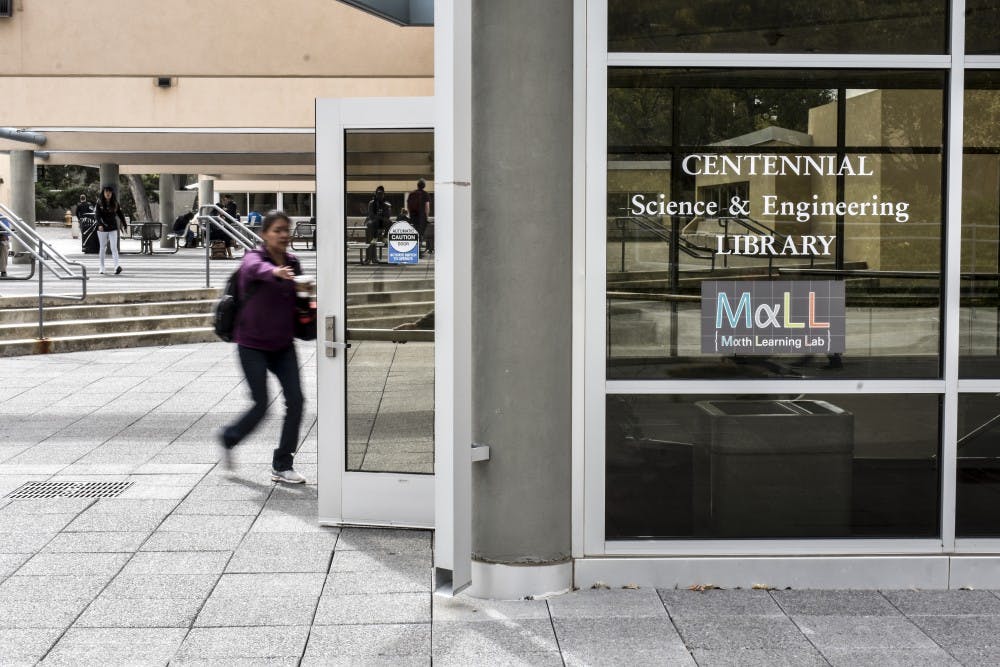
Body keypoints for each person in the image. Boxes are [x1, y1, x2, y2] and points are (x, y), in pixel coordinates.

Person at [219, 210, 307, 484]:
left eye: (286, 230)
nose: (284, 235)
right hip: (252, 344)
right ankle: (229, 437)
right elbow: (256, 270)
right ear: (264, 234)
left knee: (297, 401)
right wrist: (276, 272)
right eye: (278, 230)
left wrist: (308, 300)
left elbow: (299, 301)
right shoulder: (253, 259)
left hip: (282, 345)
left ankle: (282, 464)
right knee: (260, 405)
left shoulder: (293, 262)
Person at [94, 185, 127, 275]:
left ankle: (116, 267)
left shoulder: (115, 203)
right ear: (103, 193)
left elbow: (120, 214)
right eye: (106, 192)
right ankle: (102, 267)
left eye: (109, 192)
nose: (108, 194)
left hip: (113, 228)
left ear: (112, 193)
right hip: (102, 228)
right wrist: (100, 224)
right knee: (102, 247)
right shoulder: (99, 202)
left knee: (114, 248)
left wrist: (124, 224)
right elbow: (97, 215)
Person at [363, 185, 392, 265]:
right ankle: (369, 258)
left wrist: (380, 218)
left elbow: (388, 216)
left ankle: (384, 237)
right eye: (378, 194)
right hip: (373, 224)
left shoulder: (386, 204)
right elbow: (371, 215)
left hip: (380, 223)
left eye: (381, 194)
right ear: (375, 194)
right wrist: (380, 218)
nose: (380, 195)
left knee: (389, 222)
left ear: (383, 194)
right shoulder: (372, 203)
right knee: (371, 236)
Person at [407, 178, 432, 256]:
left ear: (417, 185)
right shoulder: (425, 194)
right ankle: (418, 253)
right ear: (424, 186)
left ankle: (413, 251)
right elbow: (427, 207)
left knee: (414, 234)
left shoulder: (411, 193)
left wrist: (410, 215)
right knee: (420, 235)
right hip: (421, 217)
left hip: (413, 217)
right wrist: (426, 217)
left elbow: (408, 206)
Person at [0, 214, 10, 278]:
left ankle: (3, 270)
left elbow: (6, 232)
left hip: (1, 238)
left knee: (4, 245)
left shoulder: (2, 217)